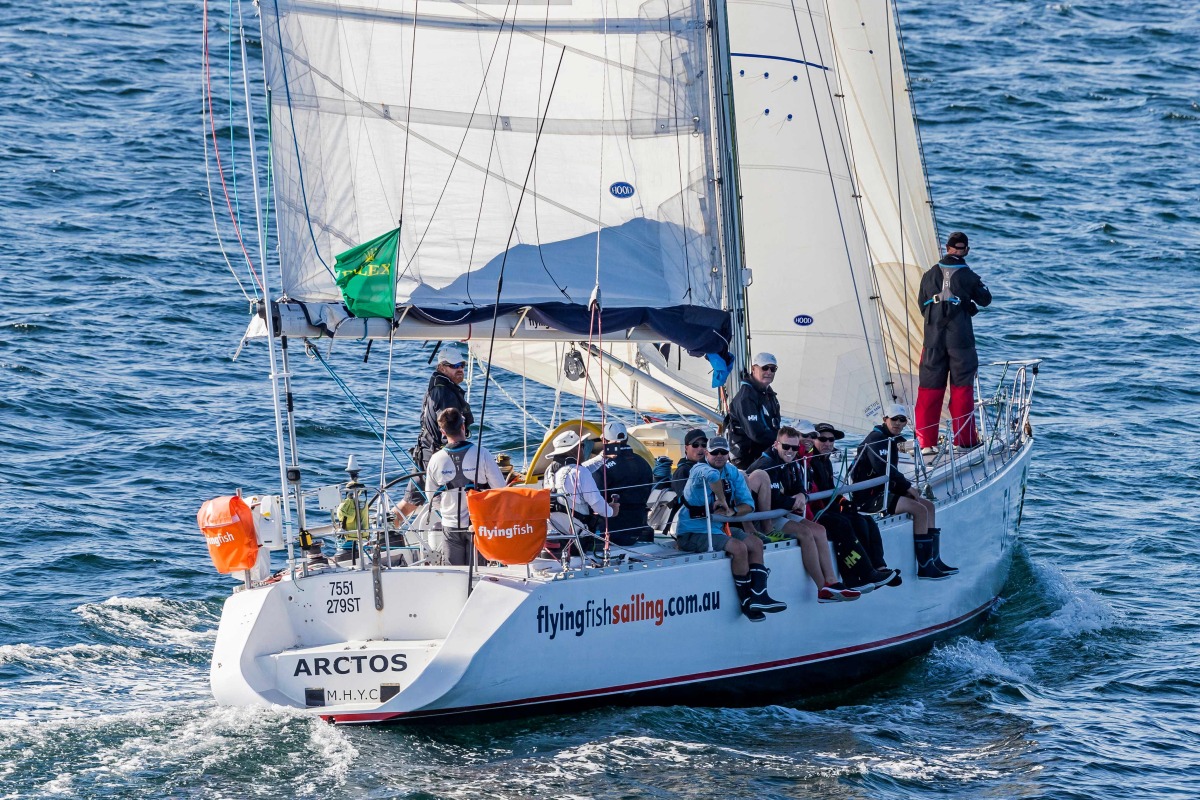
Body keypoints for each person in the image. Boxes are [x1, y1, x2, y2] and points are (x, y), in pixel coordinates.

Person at [744, 425, 866, 601]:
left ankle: (832, 581)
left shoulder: (791, 461)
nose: (791, 451)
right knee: (806, 533)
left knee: (820, 530)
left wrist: (801, 494)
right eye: (786, 447)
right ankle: (822, 587)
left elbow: (798, 486)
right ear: (776, 444)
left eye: (794, 448)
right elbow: (775, 498)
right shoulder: (767, 465)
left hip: (779, 513)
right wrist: (794, 502)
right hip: (763, 517)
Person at [676, 436, 787, 621]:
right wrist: (721, 500)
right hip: (691, 532)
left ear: (728, 454)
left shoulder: (732, 472)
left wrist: (732, 512)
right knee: (739, 547)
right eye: (714, 452)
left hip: (718, 527)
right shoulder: (698, 469)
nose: (719, 456)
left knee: (755, 542)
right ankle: (746, 603)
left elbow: (748, 505)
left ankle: (760, 596)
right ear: (707, 453)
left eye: (723, 452)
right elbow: (711, 477)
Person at [851, 405, 956, 580]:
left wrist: (904, 491)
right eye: (894, 419)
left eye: (902, 420)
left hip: (883, 492)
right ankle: (924, 567)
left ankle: (934, 559)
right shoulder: (877, 439)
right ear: (885, 419)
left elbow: (889, 475)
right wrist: (907, 488)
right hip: (868, 498)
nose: (898, 423)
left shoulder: (889, 439)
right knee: (919, 510)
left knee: (929, 506)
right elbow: (885, 470)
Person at [915, 231, 993, 454]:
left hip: (932, 341)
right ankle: (964, 441)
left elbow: (922, 304)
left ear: (946, 248)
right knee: (961, 391)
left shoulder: (929, 274)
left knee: (929, 391)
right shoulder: (969, 275)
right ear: (966, 250)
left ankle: (926, 443)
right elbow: (985, 300)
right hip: (961, 342)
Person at [810, 422, 900, 589]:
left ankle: (878, 566)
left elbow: (830, 490)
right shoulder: (809, 462)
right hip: (815, 512)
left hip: (826, 507)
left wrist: (844, 502)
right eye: (823, 439)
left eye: (831, 440)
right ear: (814, 439)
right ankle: (856, 576)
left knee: (865, 520)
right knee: (844, 524)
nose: (828, 443)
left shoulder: (825, 461)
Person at [394, 344, 475, 519]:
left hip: (428, 452)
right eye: (454, 366)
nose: (460, 369)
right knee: (418, 501)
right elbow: (447, 426)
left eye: (462, 365)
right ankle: (387, 532)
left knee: (412, 501)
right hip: (435, 456)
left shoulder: (440, 386)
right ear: (441, 367)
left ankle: (388, 531)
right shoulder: (444, 392)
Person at [423, 407, 507, 566]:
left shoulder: (435, 460)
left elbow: (431, 497)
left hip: (450, 526)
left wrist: (446, 511)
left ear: (442, 431)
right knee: (478, 571)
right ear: (463, 426)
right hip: (476, 525)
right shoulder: (482, 454)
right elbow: (500, 489)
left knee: (455, 575)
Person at [545, 429, 619, 556]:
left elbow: (578, 471)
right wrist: (612, 510)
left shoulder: (550, 471)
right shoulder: (579, 473)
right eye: (583, 445)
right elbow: (600, 507)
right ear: (576, 448)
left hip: (555, 531)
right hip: (577, 539)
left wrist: (602, 458)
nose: (584, 449)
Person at [585, 420, 654, 545]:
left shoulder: (601, 467)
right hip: (636, 528)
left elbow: (593, 499)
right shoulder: (644, 463)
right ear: (627, 439)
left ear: (604, 441)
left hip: (609, 532)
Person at [726, 352, 782, 469]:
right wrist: (783, 440)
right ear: (753, 369)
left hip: (764, 454)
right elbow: (756, 434)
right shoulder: (746, 397)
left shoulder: (769, 394)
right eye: (765, 368)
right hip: (746, 460)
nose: (769, 372)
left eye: (773, 369)